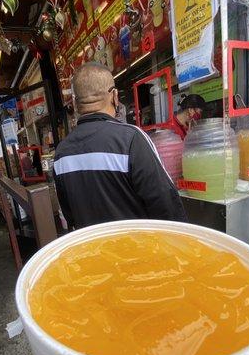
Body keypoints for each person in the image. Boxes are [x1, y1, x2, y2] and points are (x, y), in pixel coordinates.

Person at [53, 62, 187, 230]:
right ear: (114, 95)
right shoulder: (131, 139)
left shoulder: (61, 153)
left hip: (91, 252)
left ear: (75, 102)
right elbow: (166, 205)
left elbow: (69, 215)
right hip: (135, 251)